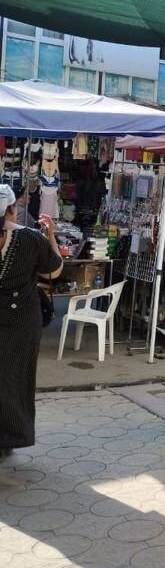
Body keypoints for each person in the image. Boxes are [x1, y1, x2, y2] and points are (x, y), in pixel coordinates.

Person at [0, 184, 63, 459]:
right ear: (11, 209)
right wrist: (51, 235)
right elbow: (53, 271)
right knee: (15, 378)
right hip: (22, 321)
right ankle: (9, 437)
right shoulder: (31, 238)